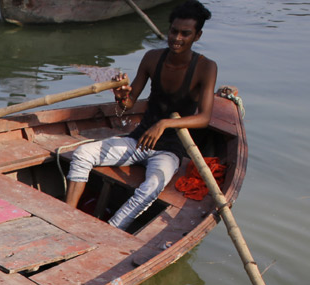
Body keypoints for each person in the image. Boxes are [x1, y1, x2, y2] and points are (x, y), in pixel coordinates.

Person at [64, 1, 217, 230]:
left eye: (185, 34)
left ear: (197, 36)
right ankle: (66, 217)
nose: (177, 38)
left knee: (151, 187)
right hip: (138, 140)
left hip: (169, 150)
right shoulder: (152, 58)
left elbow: (204, 118)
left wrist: (165, 123)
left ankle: (111, 230)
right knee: (83, 153)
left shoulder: (206, 67)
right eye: (174, 31)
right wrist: (120, 95)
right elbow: (127, 105)